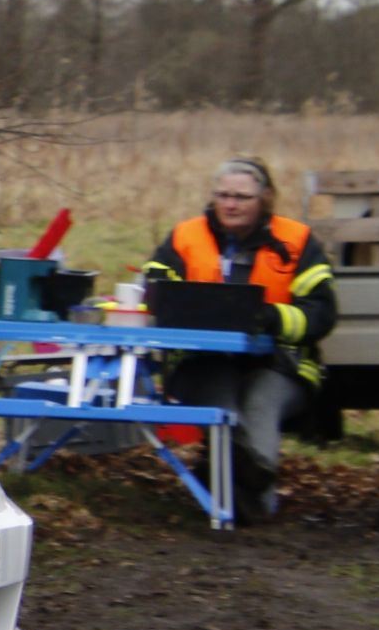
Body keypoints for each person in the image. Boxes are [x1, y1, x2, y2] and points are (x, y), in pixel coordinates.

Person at [142, 157, 337, 523]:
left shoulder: (297, 241)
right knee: (225, 411)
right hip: (202, 363)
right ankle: (241, 497)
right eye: (224, 195)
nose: (231, 204)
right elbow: (154, 289)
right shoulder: (186, 236)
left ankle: (241, 498)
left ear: (264, 198)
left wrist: (271, 318)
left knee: (259, 405)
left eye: (242, 197)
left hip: (282, 365)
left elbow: (322, 313)